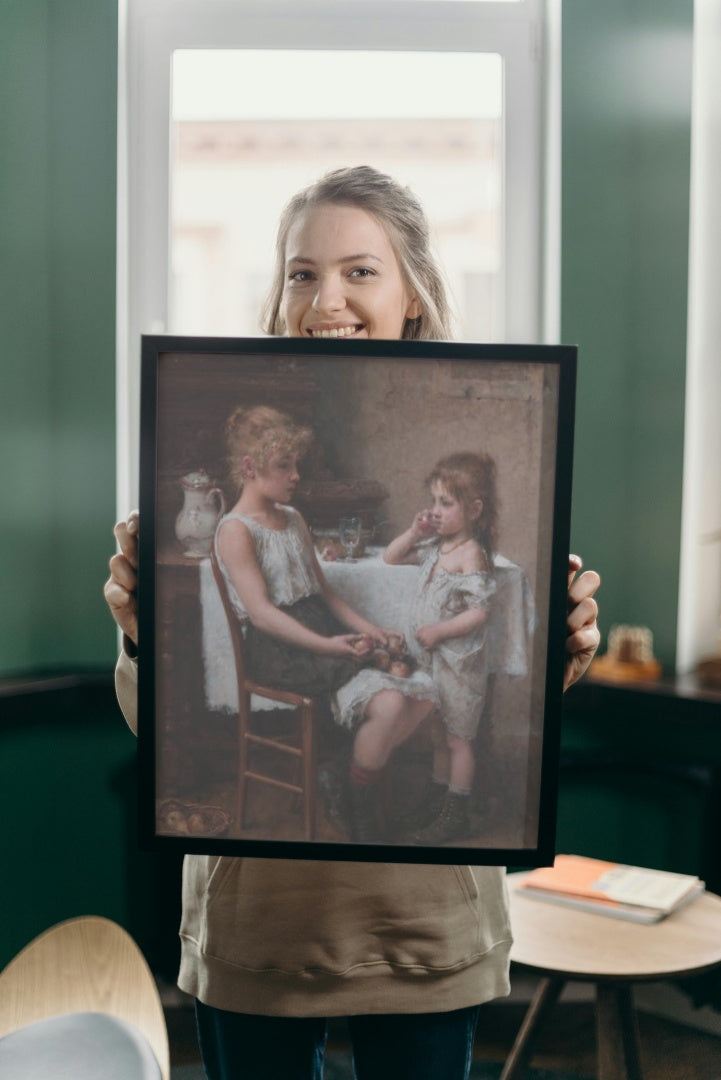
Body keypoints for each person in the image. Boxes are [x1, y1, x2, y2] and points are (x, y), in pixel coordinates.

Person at [105, 165, 601, 1080]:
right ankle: (349, 781)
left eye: (359, 271)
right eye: (301, 272)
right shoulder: (234, 526)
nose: (324, 297)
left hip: (422, 927)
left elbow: (354, 598)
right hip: (261, 926)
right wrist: (140, 638)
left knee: (403, 684)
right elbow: (163, 717)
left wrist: (563, 647)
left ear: (413, 291)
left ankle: (365, 786)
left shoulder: (319, 518)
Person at [214, 401, 439, 842]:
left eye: (296, 464)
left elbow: (327, 594)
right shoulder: (235, 530)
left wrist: (370, 631)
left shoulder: (294, 518)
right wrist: (330, 647)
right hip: (280, 648)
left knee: (426, 691)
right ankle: (356, 792)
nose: (296, 475)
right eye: (284, 465)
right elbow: (261, 614)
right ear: (249, 467)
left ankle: (344, 774)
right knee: (392, 702)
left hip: (319, 630)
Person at [384, 451, 501, 845]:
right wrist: (415, 532)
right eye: (433, 501)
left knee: (458, 739)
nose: (435, 510)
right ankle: (436, 800)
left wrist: (439, 631)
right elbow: (391, 556)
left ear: (474, 509)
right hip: (432, 663)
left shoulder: (471, 553)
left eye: (445, 503)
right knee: (437, 734)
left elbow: (480, 612)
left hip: (458, 664)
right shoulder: (436, 546)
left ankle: (457, 812)